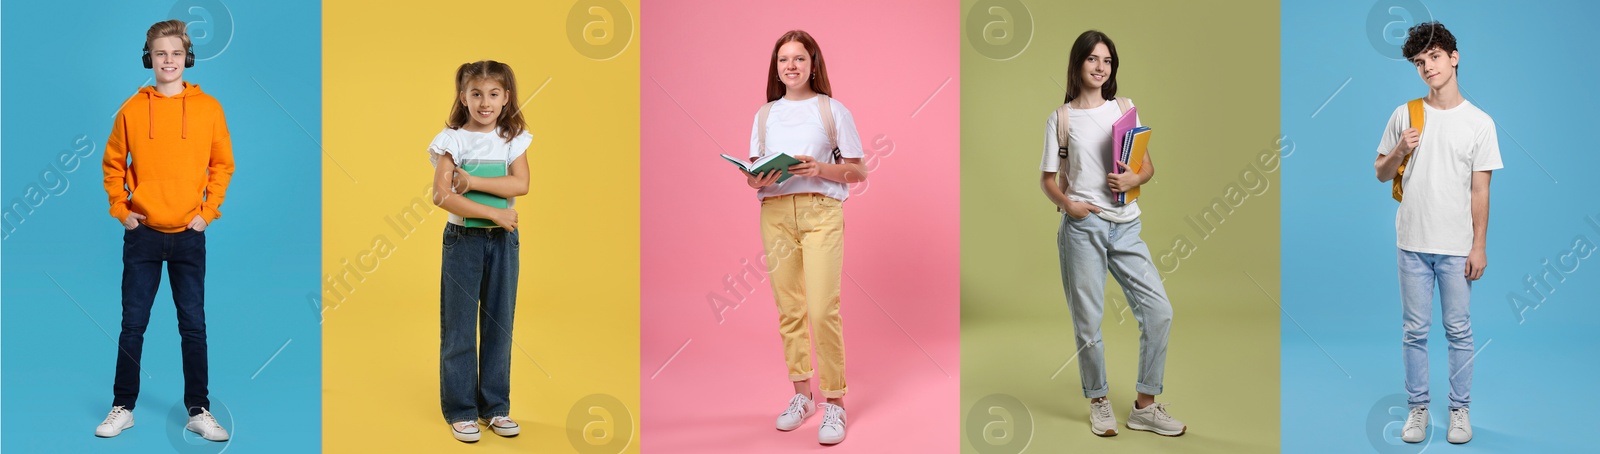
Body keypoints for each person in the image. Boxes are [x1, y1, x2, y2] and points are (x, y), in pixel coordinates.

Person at [1038, 29, 1183, 438]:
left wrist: (1131, 178)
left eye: (1108, 61)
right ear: (1078, 64)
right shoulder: (1061, 118)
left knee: (1158, 310)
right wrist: (1070, 206)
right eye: (1093, 60)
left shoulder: (1124, 109)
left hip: (1127, 225)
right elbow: (1048, 180)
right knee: (1089, 322)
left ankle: (1145, 406)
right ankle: (1098, 400)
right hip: (1083, 226)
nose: (1101, 68)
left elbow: (1147, 168)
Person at [97, 18, 234, 442]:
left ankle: (199, 409)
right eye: (161, 53)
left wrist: (207, 214)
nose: (169, 60)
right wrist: (122, 211)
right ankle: (123, 406)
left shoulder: (209, 108)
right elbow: (113, 164)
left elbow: (222, 165)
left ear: (187, 57)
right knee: (132, 323)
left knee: (193, 324)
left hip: (190, 234)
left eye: (176, 53)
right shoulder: (131, 109)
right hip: (143, 233)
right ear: (149, 58)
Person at [1373, 21, 1500, 445]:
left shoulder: (1480, 123)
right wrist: (1400, 149)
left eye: (1433, 57)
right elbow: (1380, 172)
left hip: (1456, 246)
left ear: (1453, 57)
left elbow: (1480, 190)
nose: (1427, 67)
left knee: (1459, 331)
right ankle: (1418, 410)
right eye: (1419, 62)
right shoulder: (1404, 114)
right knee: (1414, 331)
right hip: (1411, 242)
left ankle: (1460, 411)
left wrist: (1478, 245)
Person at [742, 29, 867, 446]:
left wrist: (818, 169)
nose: (790, 66)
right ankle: (802, 397)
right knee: (789, 309)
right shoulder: (765, 115)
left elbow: (858, 171)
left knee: (821, 309)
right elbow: (753, 177)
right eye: (783, 60)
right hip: (775, 213)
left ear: (813, 63)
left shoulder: (832, 111)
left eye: (798, 58)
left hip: (821, 213)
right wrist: (755, 176)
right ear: (776, 68)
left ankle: (835, 402)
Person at [427, 60, 531, 443]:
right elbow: (441, 195)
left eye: (493, 94)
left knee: (499, 325)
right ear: (463, 97)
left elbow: (521, 184)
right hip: (463, 244)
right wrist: (491, 211)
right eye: (476, 94)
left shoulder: (512, 137)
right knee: (458, 328)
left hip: (504, 243)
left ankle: (495, 407)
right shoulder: (451, 140)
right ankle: (461, 410)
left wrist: (470, 182)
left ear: (506, 98)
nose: (484, 102)